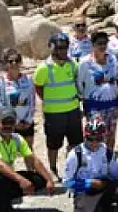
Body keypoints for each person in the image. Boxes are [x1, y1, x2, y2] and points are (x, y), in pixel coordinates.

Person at [0, 111, 55, 212]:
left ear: (15, 124)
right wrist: (22, 181)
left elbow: (32, 159)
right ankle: (2, 208)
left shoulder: (17, 138)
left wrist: (48, 179)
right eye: (4, 122)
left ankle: (4, 206)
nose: (8, 126)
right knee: (1, 180)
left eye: (11, 123)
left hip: (3, 178)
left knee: (39, 179)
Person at [33, 32, 83, 180]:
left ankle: (72, 168)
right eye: (59, 47)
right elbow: (38, 87)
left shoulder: (72, 64)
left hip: (73, 110)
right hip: (54, 113)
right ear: (52, 47)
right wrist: (49, 100)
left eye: (65, 47)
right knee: (54, 144)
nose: (63, 51)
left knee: (75, 142)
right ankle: (53, 169)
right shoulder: (44, 68)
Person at [64, 117, 118, 212]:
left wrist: (106, 183)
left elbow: (117, 177)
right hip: (83, 190)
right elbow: (67, 183)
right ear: (85, 137)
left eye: (98, 139)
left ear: (103, 137)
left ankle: (113, 207)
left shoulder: (107, 152)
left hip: (102, 186)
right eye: (90, 139)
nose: (94, 142)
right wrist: (89, 183)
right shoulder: (76, 154)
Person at [77, 30, 118, 150]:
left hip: (112, 103)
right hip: (94, 105)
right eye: (99, 43)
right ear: (93, 45)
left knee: (111, 135)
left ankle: (109, 159)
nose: (102, 46)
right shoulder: (85, 63)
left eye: (104, 43)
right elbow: (80, 84)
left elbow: (117, 77)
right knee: (96, 135)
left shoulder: (112, 59)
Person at [0, 48, 37, 150]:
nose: (14, 63)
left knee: (28, 151)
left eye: (17, 60)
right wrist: (15, 122)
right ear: (6, 64)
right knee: (9, 153)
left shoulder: (28, 80)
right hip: (9, 122)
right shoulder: (1, 82)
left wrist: (28, 120)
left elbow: (32, 101)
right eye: (10, 61)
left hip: (27, 121)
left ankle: (30, 167)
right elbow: (1, 105)